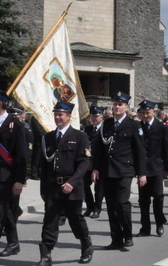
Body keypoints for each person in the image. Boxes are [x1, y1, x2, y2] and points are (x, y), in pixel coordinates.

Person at [35, 101, 93, 266]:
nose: (57, 117)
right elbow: (44, 166)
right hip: (53, 187)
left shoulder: (80, 136)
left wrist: (72, 182)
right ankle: (46, 255)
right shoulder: (49, 137)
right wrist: (43, 189)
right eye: (56, 114)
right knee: (50, 220)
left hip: (72, 188)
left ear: (69, 117)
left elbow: (84, 163)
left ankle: (86, 244)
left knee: (75, 219)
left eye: (61, 114)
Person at [91, 91, 147, 250]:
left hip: (124, 170)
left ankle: (127, 235)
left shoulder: (134, 125)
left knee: (122, 204)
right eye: (115, 104)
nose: (117, 107)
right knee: (110, 206)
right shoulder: (106, 124)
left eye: (120, 104)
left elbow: (140, 151)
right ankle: (116, 239)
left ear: (126, 107)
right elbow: (99, 149)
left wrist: (142, 173)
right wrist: (95, 167)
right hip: (107, 170)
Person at [0, 87, 28, 265]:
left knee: (0, 210)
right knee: (7, 210)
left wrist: (19, 180)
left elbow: (22, 156)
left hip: (9, 175)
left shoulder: (15, 125)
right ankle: (13, 243)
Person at [135, 100, 168, 237]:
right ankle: (145, 227)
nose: (146, 115)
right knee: (143, 201)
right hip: (142, 169)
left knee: (158, 197)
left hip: (157, 167)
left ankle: (159, 223)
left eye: (148, 112)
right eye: (143, 113)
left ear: (153, 112)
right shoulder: (137, 127)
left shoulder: (162, 127)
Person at [83, 106, 105, 218]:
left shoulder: (105, 130)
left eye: (97, 116)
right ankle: (89, 206)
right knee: (84, 184)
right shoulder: (87, 129)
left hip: (100, 162)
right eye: (93, 116)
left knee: (99, 188)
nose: (94, 118)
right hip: (88, 162)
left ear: (102, 117)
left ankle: (97, 208)